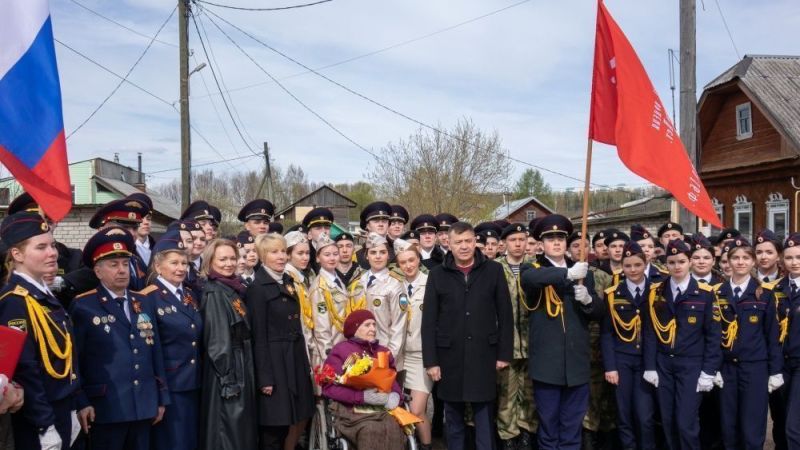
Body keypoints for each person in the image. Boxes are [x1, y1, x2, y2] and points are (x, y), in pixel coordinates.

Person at [71, 226, 169, 450]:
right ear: (97, 271)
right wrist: (81, 402)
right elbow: (76, 360)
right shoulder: (84, 306)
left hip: (143, 404)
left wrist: (161, 397)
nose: (122, 270)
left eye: (125, 264)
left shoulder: (142, 301)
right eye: (113, 265)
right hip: (106, 407)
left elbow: (155, 351)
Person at [422, 221, 513, 450]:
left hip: (484, 354)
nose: (463, 246)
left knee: (484, 417)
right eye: (458, 242)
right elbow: (429, 321)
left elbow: (505, 315)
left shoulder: (493, 270)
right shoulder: (437, 275)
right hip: (449, 356)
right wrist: (431, 361)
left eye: (468, 241)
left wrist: (504, 353)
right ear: (449, 244)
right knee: (453, 418)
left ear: (475, 242)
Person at [521, 214, 603, 450]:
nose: (556, 242)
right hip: (547, 363)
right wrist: (567, 274)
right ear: (541, 244)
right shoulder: (533, 269)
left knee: (572, 427)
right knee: (548, 427)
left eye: (560, 238)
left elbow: (598, 311)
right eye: (550, 238)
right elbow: (532, 280)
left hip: (576, 363)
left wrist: (588, 300)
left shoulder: (583, 272)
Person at [0, 212, 81, 450]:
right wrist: (45, 426)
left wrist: (74, 404)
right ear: (17, 254)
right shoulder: (14, 301)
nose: (52, 253)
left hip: (62, 406)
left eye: (53, 245)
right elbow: (26, 370)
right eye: (41, 247)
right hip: (39, 416)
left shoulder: (43, 295)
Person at [642, 239, 722, 450]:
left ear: (689, 263)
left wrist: (709, 371)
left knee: (686, 422)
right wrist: (650, 366)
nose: (677, 266)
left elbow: (713, 335)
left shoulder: (705, 293)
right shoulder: (655, 292)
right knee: (668, 420)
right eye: (671, 262)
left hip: (691, 366)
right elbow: (650, 332)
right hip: (663, 365)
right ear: (666, 264)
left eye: (681, 261)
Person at [247, 234, 314, 450]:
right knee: (273, 428)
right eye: (274, 252)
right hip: (275, 365)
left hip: (293, 360)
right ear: (262, 256)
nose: (281, 256)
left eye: (283, 251)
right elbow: (258, 336)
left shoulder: (287, 280)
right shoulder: (257, 288)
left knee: (291, 422)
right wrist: (265, 378)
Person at [715, 238, 783, 450]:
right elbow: (712, 335)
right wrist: (712, 368)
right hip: (726, 368)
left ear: (753, 262)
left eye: (746, 257)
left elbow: (772, 336)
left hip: (754, 368)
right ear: (727, 261)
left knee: (752, 428)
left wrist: (775, 371)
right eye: (735, 257)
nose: (740, 262)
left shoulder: (765, 294)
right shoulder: (717, 294)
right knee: (728, 427)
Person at [139, 231, 203, 450]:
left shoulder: (189, 295)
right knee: (172, 443)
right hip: (170, 385)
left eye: (184, 263)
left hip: (193, 382)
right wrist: (158, 392)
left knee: (190, 440)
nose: (181, 268)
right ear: (158, 267)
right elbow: (149, 350)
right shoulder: (148, 297)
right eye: (174, 262)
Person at [198, 239, 257, 450]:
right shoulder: (214, 292)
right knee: (227, 432)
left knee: (240, 432)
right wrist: (228, 380)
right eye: (222, 259)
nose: (229, 263)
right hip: (228, 372)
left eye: (233, 258)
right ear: (210, 261)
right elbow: (217, 341)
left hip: (241, 363)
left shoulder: (231, 287)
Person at [322, 310, 407, 450]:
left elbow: (392, 379)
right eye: (367, 325)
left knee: (394, 426)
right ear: (355, 328)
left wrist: (396, 395)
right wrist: (361, 396)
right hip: (351, 410)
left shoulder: (383, 351)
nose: (373, 329)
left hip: (382, 408)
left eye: (374, 324)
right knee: (371, 429)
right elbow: (329, 388)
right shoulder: (340, 350)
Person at [600, 241, 656, 450]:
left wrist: (653, 365)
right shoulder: (613, 293)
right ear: (622, 267)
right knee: (624, 415)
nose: (633, 270)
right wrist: (610, 366)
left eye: (637, 265)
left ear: (645, 264)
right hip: (622, 359)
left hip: (647, 361)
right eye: (628, 266)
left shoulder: (656, 291)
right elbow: (606, 333)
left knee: (645, 416)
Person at [495, 223, 537, 449]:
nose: (518, 244)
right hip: (506, 344)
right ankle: (508, 437)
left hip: (532, 343)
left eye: (522, 239)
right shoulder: (494, 269)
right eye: (513, 240)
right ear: (504, 244)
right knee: (506, 396)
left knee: (530, 395)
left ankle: (527, 433)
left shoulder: (535, 267)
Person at [394, 238, 433, 450]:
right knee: (399, 407)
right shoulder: (395, 284)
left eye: (411, 260)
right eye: (403, 262)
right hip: (399, 353)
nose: (408, 265)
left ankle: (425, 446)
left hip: (422, 354)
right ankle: (412, 444)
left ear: (419, 259)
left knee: (417, 410)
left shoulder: (431, 283)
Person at [351, 233, 407, 369]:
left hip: (384, 353)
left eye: (382, 252)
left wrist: (389, 356)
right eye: (373, 252)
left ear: (388, 255)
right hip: (359, 353)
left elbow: (399, 325)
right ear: (366, 255)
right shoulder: (357, 282)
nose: (377, 256)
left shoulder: (395, 284)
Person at [308, 234, 349, 368]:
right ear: (318, 258)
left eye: (335, 254)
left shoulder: (337, 280)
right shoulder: (320, 287)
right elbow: (321, 329)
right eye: (327, 255)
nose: (332, 258)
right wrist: (330, 360)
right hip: (330, 353)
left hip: (342, 348)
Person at [774, 233, 800, 447]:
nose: (794, 262)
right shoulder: (775, 289)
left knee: (794, 426)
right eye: (790, 258)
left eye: (799, 257)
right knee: (781, 421)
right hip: (782, 363)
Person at [355, 201, 394, 269]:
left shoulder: (398, 251)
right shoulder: (357, 255)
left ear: (388, 225)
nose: (381, 224)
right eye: (376, 221)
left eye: (384, 221)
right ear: (368, 226)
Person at [302, 207, 334, 273]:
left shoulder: (336, 252)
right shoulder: (305, 255)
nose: (324, 231)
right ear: (309, 235)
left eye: (327, 228)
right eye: (318, 228)